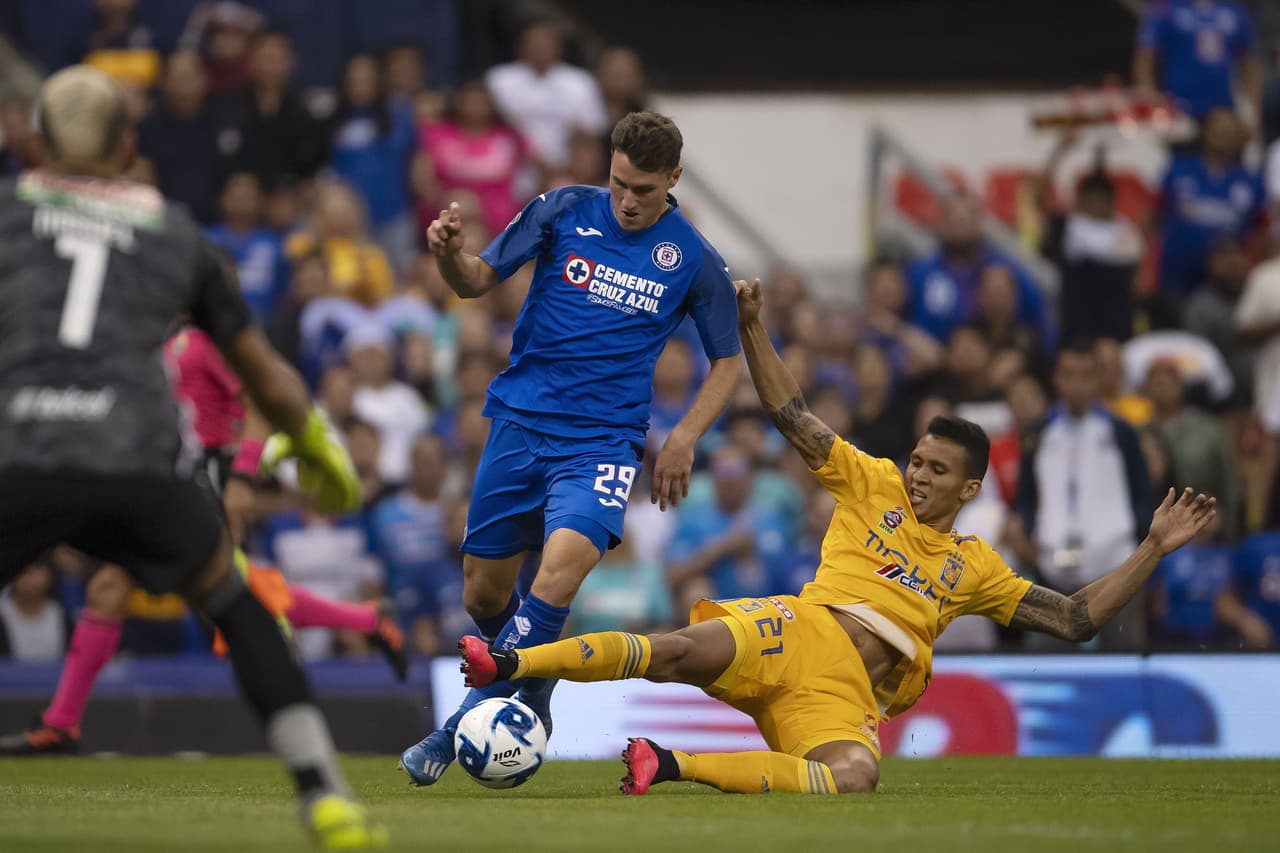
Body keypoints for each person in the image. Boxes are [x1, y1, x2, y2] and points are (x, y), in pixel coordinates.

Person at [456, 277, 1218, 796]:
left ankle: (668, 762)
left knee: (855, 777)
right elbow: (791, 413)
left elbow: (1077, 619)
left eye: (935, 470)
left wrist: (1152, 546)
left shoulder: (976, 566)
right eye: (917, 460)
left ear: (971, 489)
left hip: (844, 696)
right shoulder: (872, 481)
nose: (917, 475)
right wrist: (752, 327)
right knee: (675, 651)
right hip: (800, 629)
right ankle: (511, 658)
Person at [0, 66, 383, 846]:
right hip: (139, 461)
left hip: (22, 453)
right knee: (236, 601)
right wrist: (314, 445)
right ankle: (324, 795)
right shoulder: (177, 234)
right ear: (130, 144)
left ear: (32, 142)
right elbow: (266, 378)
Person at [398, 110, 742, 785]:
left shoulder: (694, 259)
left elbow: (727, 361)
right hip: (520, 422)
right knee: (483, 589)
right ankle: (540, 684)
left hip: (603, 444)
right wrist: (445, 252)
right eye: (618, 183)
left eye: (644, 189)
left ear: (673, 178)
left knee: (555, 575)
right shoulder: (561, 209)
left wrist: (682, 437)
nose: (628, 200)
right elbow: (475, 279)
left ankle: (455, 727)